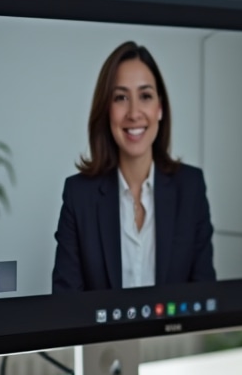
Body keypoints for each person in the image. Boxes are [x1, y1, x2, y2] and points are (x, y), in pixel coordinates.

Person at [52, 41, 217, 291]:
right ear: (106, 110)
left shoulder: (191, 187)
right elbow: (66, 303)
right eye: (120, 97)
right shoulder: (79, 195)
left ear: (159, 108)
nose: (134, 112)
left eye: (145, 96)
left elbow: (204, 295)